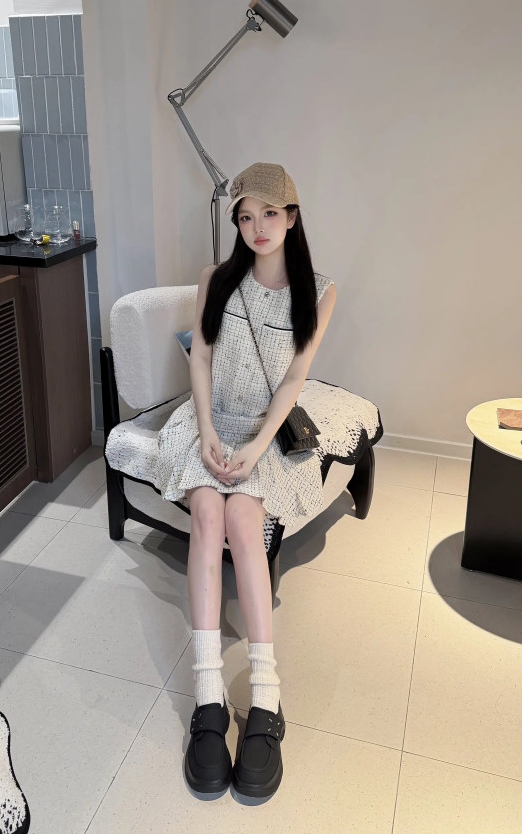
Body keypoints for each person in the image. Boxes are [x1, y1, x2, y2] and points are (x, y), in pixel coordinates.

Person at [156, 162, 336, 797]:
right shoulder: (216, 279)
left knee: (241, 519)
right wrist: (207, 429)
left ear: (292, 216)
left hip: (263, 432)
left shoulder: (319, 291)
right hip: (211, 422)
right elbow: (201, 356)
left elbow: (294, 380)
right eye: (245, 216)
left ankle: (265, 695)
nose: (257, 227)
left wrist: (257, 448)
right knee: (208, 515)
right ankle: (208, 693)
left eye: (270, 213)